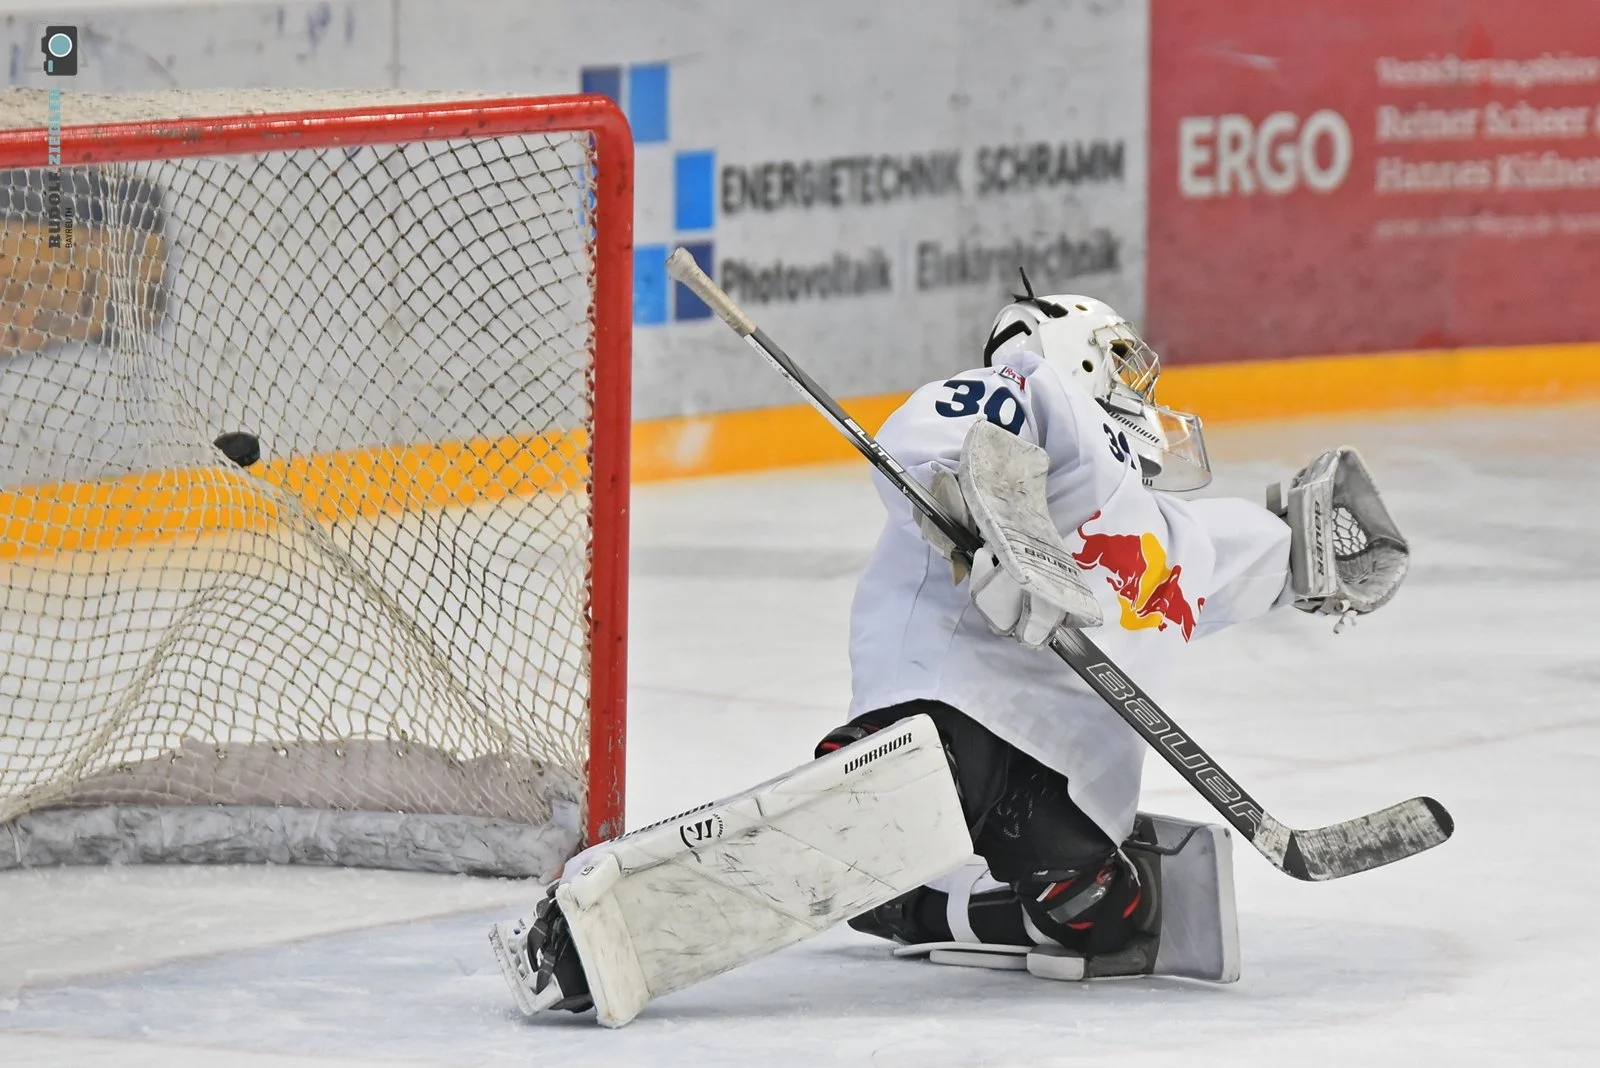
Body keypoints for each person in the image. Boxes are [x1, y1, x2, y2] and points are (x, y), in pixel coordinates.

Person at [491, 280, 1408, 1023]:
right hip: (962, 708)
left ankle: (919, 906)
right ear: (1076, 352)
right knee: (900, 801)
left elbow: (1259, 556)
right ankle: (590, 931)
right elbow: (940, 436)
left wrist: (1318, 544)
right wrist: (998, 514)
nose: (1140, 379)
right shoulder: (1046, 402)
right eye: (1123, 356)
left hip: (1071, 788)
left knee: (1107, 917)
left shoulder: (1172, 529)